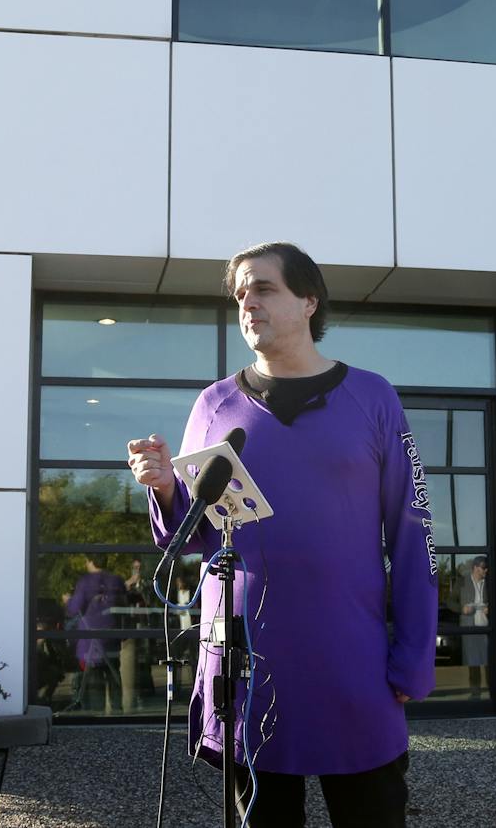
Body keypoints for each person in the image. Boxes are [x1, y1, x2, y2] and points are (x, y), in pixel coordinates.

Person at [127, 242, 437, 828]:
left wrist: (415, 657)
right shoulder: (214, 405)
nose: (248, 302)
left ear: (308, 301)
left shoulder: (374, 398)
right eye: (240, 294)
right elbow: (191, 536)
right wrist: (166, 488)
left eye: (263, 288)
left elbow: (412, 533)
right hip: (249, 668)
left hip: (352, 663)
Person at [63, 556, 127, 712]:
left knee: (94, 679)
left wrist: (67, 600)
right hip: (111, 638)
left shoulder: (85, 582)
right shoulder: (117, 581)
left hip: (90, 642)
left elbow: (73, 609)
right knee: (113, 675)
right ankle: (118, 711)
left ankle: (97, 715)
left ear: (91, 561)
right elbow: (124, 606)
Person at [458, 555, 492, 698]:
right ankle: (475, 692)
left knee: (489, 662)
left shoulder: (490, 583)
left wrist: (491, 609)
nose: (486, 570)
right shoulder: (462, 582)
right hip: (470, 628)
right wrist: (462, 609)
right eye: (484, 567)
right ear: (475, 568)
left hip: (488, 628)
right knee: (473, 662)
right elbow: (449, 602)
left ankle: (493, 692)